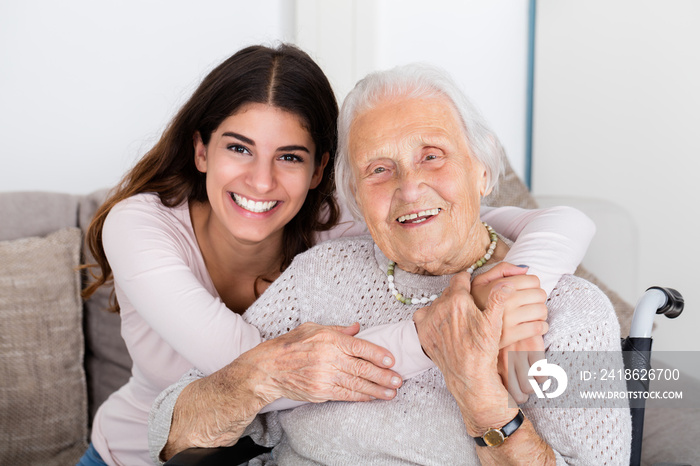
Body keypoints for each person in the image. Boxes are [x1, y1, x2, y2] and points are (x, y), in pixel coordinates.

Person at [79, 44, 592, 465]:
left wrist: (507, 295)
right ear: (200, 151)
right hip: (134, 455)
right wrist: (438, 331)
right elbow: (253, 372)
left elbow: (554, 222)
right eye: (238, 148)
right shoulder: (140, 224)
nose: (261, 180)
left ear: (320, 170)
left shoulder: (343, 223)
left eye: (290, 157)